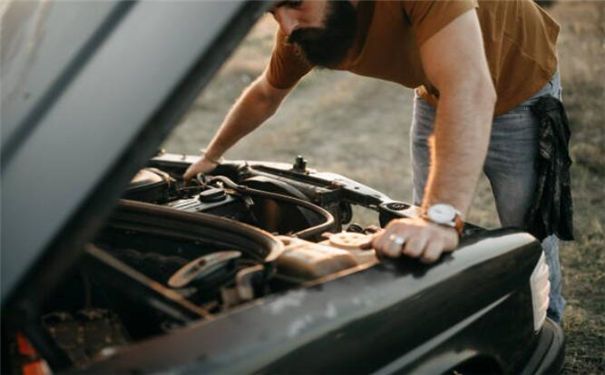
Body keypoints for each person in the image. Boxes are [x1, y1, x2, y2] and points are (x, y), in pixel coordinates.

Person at [183, 0, 564, 322]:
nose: (286, 25)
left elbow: (469, 87)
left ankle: (547, 321)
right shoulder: (301, 28)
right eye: (273, 11)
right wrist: (211, 156)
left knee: (528, 228)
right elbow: (267, 93)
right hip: (436, 93)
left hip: (521, 90)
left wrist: (442, 216)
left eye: (295, 1)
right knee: (424, 225)